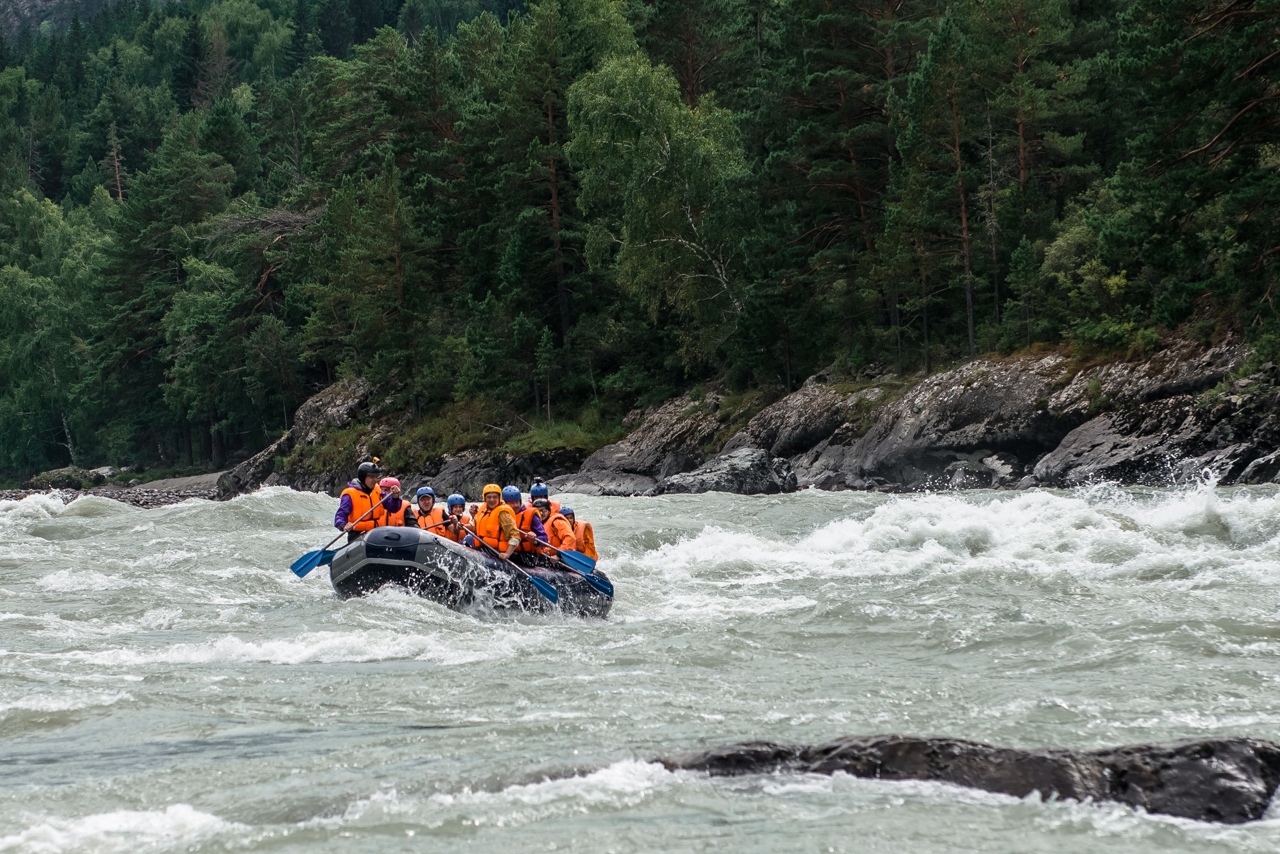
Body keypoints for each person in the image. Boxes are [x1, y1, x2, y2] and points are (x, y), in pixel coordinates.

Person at [468, 483, 522, 559]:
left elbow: (515, 536)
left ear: (499, 498)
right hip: (484, 547)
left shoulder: (503, 513)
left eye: (495, 497)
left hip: (496, 552)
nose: (492, 500)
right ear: (484, 498)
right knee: (468, 539)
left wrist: (507, 554)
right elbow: (473, 526)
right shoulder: (484, 508)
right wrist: (460, 525)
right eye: (489, 497)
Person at [335, 460, 383, 542]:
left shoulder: (378, 490)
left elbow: (392, 507)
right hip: (357, 535)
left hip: (376, 533)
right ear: (363, 477)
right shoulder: (350, 494)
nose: (375, 480)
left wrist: (395, 497)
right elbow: (340, 516)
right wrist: (343, 525)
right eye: (371, 477)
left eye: (376, 476)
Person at [503, 484, 547, 554]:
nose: (516, 505)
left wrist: (535, 540)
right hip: (508, 553)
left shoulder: (531, 515)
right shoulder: (501, 515)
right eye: (511, 503)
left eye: (517, 502)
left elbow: (544, 539)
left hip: (527, 555)